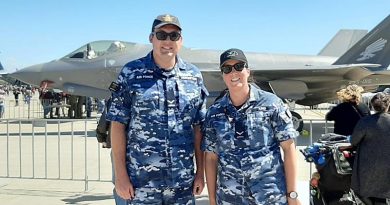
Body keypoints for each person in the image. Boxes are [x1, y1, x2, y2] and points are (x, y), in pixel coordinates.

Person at [106, 14, 208, 204]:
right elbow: (118, 125)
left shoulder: (193, 76)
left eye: (173, 36)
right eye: (161, 35)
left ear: (181, 40)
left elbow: (198, 128)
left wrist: (200, 173)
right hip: (141, 184)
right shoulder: (131, 73)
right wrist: (120, 176)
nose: (167, 41)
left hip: (182, 185)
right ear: (151, 38)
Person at [202, 48, 300, 205]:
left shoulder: (272, 104)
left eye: (239, 66)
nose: (233, 73)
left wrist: (292, 194)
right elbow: (211, 158)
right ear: (223, 75)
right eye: (227, 69)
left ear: (247, 71)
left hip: (270, 196)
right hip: (230, 198)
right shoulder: (215, 112)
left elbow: (289, 149)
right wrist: (212, 200)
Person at [351, 92, 390, 205]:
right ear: (388, 105)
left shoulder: (365, 121)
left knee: (364, 193)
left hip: (367, 167)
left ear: (372, 105)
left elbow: (354, 141)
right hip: (387, 167)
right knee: (382, 196)